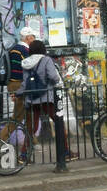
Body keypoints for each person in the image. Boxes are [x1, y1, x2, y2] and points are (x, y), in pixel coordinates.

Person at [21, 38, 70, 173]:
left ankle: (24, 154)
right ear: (43, 49)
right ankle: (65, 152)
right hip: (46, 98)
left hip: (32, 98)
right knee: (59, 123)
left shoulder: (25, 63)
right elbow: (53, 77)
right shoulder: (46, 60)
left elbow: (24, 83)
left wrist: (18, 93)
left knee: (32, 127)